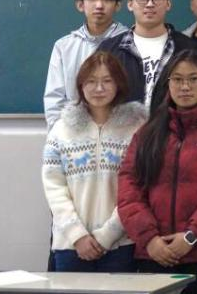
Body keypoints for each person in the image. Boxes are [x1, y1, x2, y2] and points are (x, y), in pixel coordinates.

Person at [117, 52, 197, 294]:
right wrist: (149, 239)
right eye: (177, 79)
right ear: (168, 83)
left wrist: (191, 236)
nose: (185, 87)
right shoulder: (149, 131)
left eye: (194, 79)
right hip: (153, 254)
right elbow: (128, 187)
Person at [43, 52, 147, 272]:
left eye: (107, 81)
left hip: (121, 244)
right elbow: (54, 188)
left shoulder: (136, 129)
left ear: (118, 84)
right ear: (80, 85)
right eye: (91, 81)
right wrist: (77, 235)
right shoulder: (61, 130)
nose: (99, 88)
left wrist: (108, 235)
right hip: (70, 245)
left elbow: (140, 187)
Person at [98, 0, 197, 109]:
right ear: (130, 4)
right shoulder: (109, 50)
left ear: (168, 4)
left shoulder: (187, 48)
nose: (150, 4)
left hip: (173, 122)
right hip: (123, 122)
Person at [45, 0, 129, 128]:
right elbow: (55, 98)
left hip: (120, 130)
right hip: (75, 131)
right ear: (80, 5)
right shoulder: (64, 46)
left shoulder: (131, 43)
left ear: (118, 5)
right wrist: (59, 135)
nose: (99, 5)